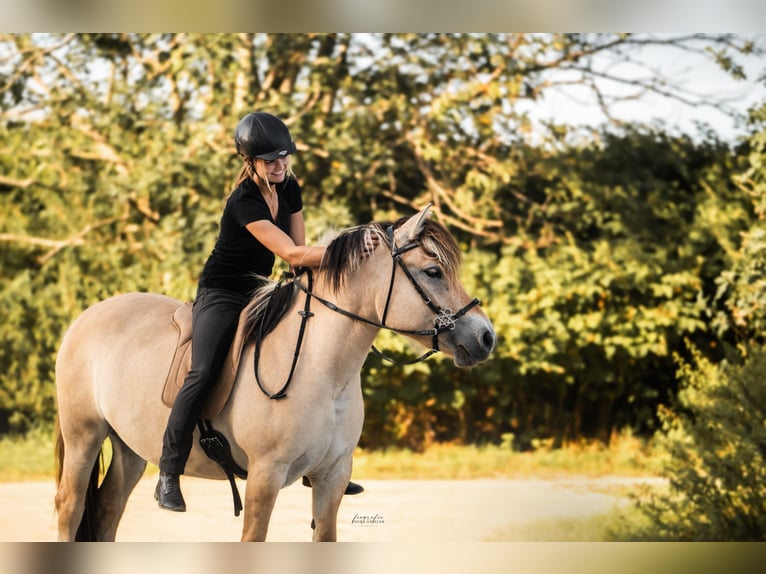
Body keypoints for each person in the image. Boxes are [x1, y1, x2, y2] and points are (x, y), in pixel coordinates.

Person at [156, 111, 365, 512]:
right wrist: (352, 249)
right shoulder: (243, 201)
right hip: (223, 291)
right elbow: (288, 250)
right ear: (249, 162)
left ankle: (322, 457)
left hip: (264, 288)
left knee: (314, 347)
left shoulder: (289, 188)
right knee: (202, 371)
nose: (280, 165)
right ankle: (168, 470)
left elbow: (298, 258)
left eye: (284, 157)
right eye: (270, 160)